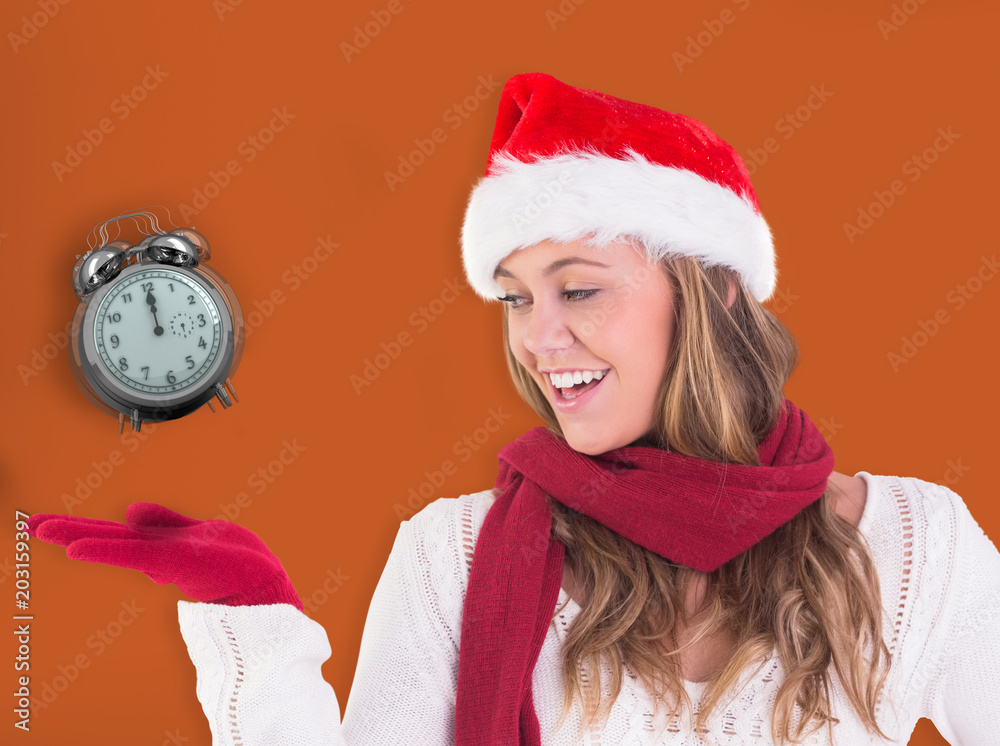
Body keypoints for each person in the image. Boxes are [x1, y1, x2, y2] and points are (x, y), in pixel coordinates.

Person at [29, 72, 1000, 745]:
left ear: (718, 292)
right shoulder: (451, 553)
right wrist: (254, 621)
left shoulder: (917, 545)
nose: (536, 338)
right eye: (514, 297)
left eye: (577, 289)